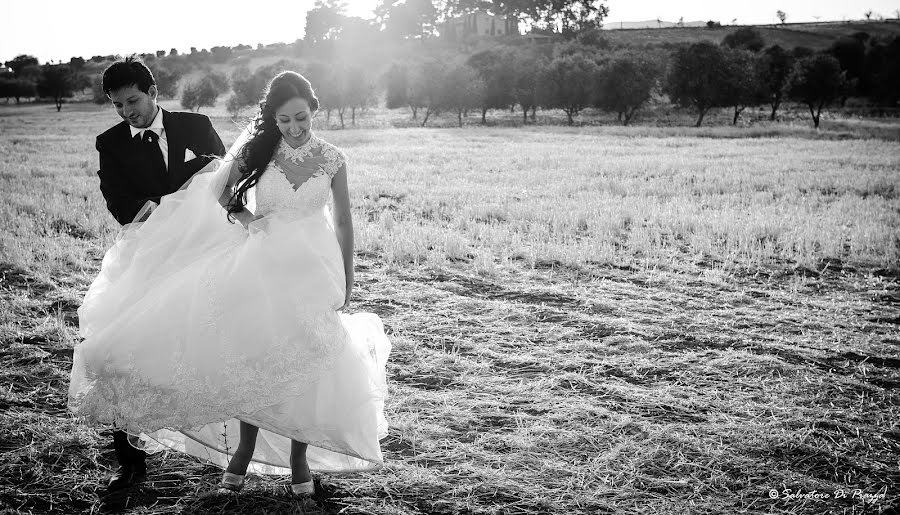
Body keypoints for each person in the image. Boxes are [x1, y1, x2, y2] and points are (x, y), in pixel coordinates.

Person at [68, 71, 391, 500]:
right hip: (205, 256)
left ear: (315, 111)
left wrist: (349, 277)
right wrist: (233, 221)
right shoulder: (256, 149)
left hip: (307, 263)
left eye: (301, 119)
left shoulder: (326, 156)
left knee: (302, 351)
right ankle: (179, 456)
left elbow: (341, 220)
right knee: (218, 345)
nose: (293, 128)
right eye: (284, 120)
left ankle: (294, 460)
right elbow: (210, 193)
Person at [80, 56, 226, 491]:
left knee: (209, 339)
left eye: (133, 101)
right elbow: (119, 201)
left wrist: (195, 199)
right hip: (146, 255)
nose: (127, 112)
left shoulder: (196, 125)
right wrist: (170, 211)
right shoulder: (110, 142)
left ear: (154, 92)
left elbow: (223, 177)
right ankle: (130, 463)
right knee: (124, 348)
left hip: (202, 252)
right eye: (118, 105)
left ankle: (223, 444)